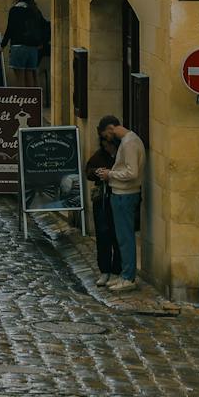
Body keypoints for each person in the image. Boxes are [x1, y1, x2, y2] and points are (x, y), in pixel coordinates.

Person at [93, 115, 145, 292]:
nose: (106, 140)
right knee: (123, 237)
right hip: (123, 194)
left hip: (125, 194)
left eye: (105, 136)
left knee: (125, 237)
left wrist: (110, 175)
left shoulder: (129, 143)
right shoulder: (129, 141)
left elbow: (132, 172)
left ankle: (128, 277)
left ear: (110, 129)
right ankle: (125, 274)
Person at [84, 141, 122, 279]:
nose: (107, 147)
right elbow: (88, 170)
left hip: (119, 197)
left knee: (118, 235)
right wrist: (97, 172)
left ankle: (118, 270)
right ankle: (105, 270)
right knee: (103, 234)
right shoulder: (100, 155)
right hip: (102, 201)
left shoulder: (121, 154)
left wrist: (110, 174)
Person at [0, 0, 47, 87]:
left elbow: (10, 29)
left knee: (20, 77)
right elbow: (43, 26)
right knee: (30, 75)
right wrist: (41, 42)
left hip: (18, 47)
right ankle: (33, 99)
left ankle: (23, 99)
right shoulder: (35, 10)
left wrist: (2, 46)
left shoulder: (14, 10)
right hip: (33, 49)